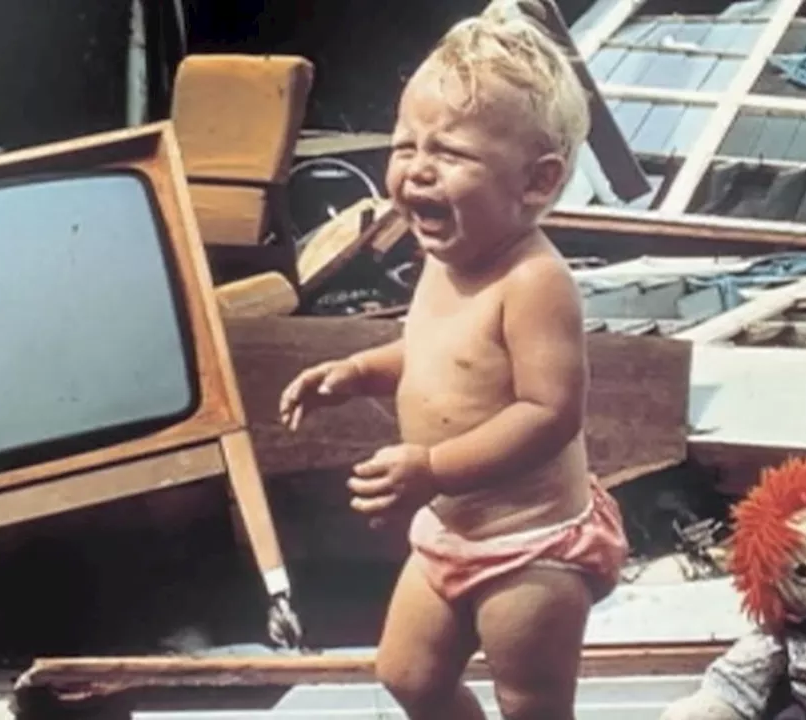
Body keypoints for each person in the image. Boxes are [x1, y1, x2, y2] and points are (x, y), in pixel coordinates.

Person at [278, 12, 629, 720]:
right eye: (406, 144)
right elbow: (440, 352)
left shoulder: (533, 282)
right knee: (406, 674)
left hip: (530, 549)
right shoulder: (446, 259)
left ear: (537, 183)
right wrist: (358, 370)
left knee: (530, 701)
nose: (415, 169)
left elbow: (549, 413)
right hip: (450, 532)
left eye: (451, 153)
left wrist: (430, 467)